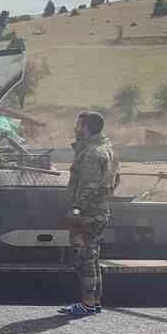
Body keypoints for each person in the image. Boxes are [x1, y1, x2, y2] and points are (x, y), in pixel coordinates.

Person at [58, 111, 119, 316]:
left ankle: (87, 303)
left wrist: (76, 210)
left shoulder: (91, 153)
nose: (75, 128)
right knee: (91, 257)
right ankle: (94, 302)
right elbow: (116, 180)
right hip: (99, 210)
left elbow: (88, 187)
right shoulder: (107, 149)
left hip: (87, 213)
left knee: (84, 258)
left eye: (78, 124)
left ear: (85, 127)